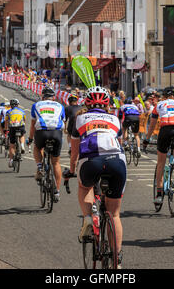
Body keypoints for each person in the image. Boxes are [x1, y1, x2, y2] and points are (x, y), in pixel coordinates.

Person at [64, 86, 126, 269]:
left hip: (91, 160)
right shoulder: (115, 118)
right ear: (107, 104)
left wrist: (72, 170)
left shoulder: (80, 118)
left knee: (85, 187)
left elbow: (74, 151)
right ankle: (117, 260)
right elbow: (119, 143)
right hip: (117, 161)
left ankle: (88, 218)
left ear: (87, 103)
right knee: (115, 214)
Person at [143, 86, 174, 204]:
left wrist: (147, 139)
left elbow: (152, 125)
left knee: (161, 163)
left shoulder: (159, 104)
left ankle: (159, 194)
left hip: (167, 129)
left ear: (164, 96)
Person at [29, 86, 65, 203]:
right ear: (53, 97)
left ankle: (40, 167)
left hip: (42, 132)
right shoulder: (60, 106)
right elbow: (63, 121)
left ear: (42, 96)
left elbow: (32, 125)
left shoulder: (36, 105)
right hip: (56, 133)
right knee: (56, 163)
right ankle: (57, 192)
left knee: (37, 147)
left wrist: (29, 138)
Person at [5, 99, 26, 168]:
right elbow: (24, 119)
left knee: (12, 145)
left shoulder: (8, 111)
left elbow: (6, 121)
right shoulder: (22, 111)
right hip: (21, 126)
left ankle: (11, 160)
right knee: (22, 135)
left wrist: (6, 129)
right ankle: (22, 146)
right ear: (17, 105)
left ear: (11, 106)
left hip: (12, 127)